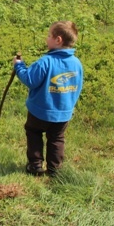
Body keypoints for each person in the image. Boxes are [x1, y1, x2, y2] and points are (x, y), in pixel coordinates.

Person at [13, 21, 84, 177]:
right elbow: (77, 86)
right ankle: (54, 170)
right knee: (57, 139)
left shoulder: (45, 61)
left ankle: (35, 166)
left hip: (39, 111)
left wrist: (19, 66)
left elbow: (30, 80)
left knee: (34, 133)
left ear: (58, 40)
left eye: (49, 35)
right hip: (63, 113)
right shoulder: (77, 63)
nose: (46, 38)